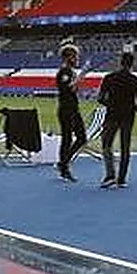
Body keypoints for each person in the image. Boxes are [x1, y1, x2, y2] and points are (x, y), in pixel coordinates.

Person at [97, 51, 137, 188]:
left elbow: (100, 98)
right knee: (125, 147)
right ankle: (122, 179)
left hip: (111, 115)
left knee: (107, 145)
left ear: (120, 62)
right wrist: (130, 108)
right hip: (128, 117)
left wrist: (111, 105)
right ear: (132, 64)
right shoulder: (136, 81)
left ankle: (110, 175)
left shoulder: (109, 78)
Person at [54, 43, 86, 182]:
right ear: (69, 57)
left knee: (81, 138)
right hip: (66, 109)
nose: (77, 58)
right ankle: (64, 167)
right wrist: (77, 80)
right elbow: (66, 89)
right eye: (75, 56)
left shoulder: (71, 72)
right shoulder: (64, 72)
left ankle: (64, 162)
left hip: (73, 107)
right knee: (67, 138)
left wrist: (77, 81)